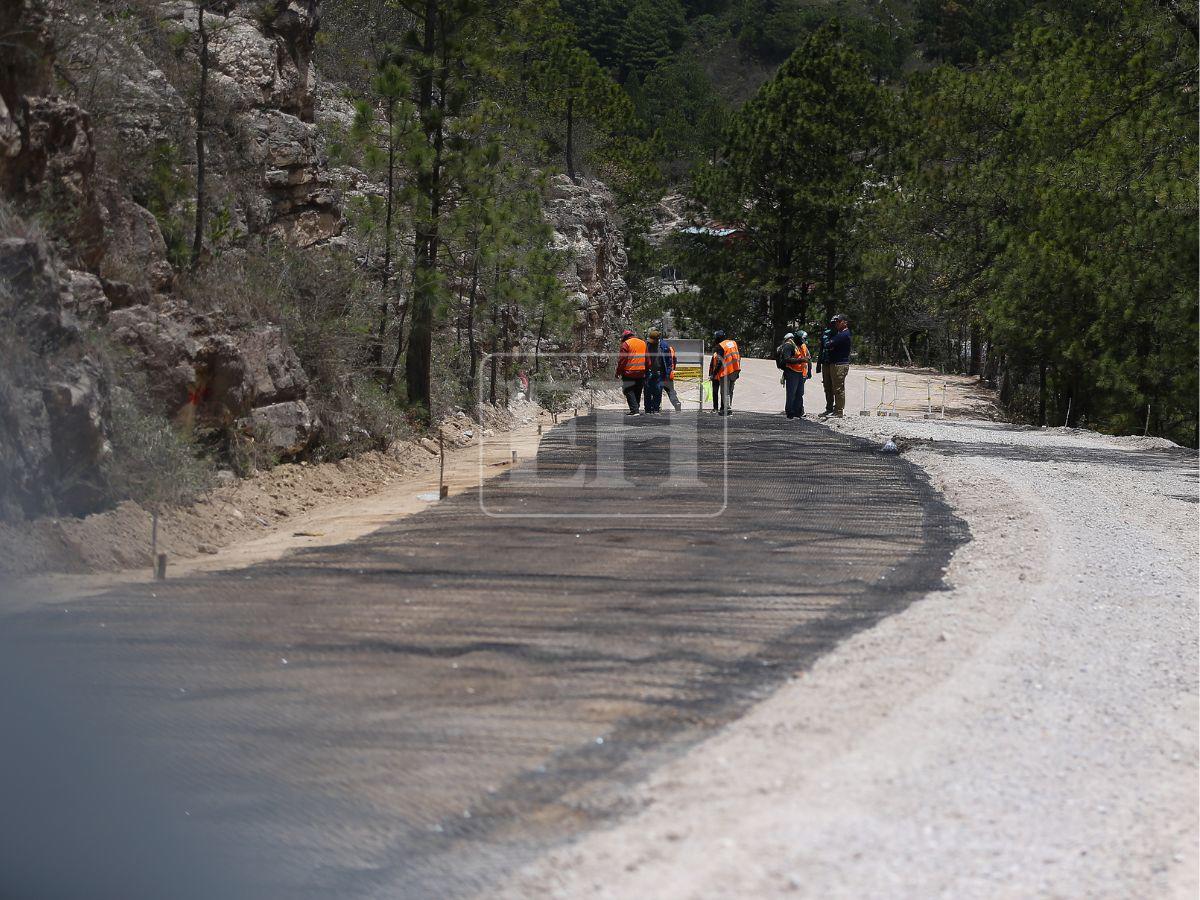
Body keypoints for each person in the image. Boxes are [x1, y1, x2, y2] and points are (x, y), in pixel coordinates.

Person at [819, 314, 851, 419]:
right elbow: (826, 347)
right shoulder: (837, 334)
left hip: (839, 364)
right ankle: (831, 408)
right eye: (835, 322)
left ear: (844, 322)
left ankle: (838, 411)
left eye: (838, 321)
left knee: (838, 388)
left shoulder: (843, 335)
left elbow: (828, 344)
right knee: (828, 387)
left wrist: (828, 343)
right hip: (832, 363)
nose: (836, 324)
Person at [616, 328, 648, 415]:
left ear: (625, 337)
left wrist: (618, 372)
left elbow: (622, 360)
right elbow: (648, 359)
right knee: (638, 390)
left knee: (629, 390)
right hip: (641, 372)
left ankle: (634, 410)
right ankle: (636, 408)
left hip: (629, 372)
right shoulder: (643, 343)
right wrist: (647, 370)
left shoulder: (626, 344)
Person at [779, 331, 811, 419]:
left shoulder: (801, 345)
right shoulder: (789, 345)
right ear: (798, 338)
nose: (803, 342)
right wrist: (801, 360)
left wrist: (809, 371)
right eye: (802, 340)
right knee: (791, 393)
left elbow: (807, 357)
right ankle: (790, 413)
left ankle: (798, 412)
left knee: (799, 393)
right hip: (791, 372)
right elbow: (786, 359)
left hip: (801, 372)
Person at [710, 329, 741, 416]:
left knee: (725, 392)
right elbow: (738, 356)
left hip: (726, 371)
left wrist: (714, 374)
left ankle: (726, 409)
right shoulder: (733, 343)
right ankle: (728, 407)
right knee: (730, 391)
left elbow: (719, 362)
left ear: (717, 338)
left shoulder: (721, 346)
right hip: (735, 370)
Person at [658, 330, 683, 412]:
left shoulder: (659, 347)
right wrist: (672, 370)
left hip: (662, 374)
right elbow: (674, 361)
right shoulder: (671, 349)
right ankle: (677, 403)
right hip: (669, 374)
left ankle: (657, 408)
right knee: (670, 391)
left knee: (658, 391)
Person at [816, 320, 837, 416]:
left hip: (835, 363)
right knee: (827, 386)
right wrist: (818, 364)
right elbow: (822, 349)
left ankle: (837, 408)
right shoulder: (826, 334)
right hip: (826, 362)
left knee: (836, 387)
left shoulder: (839, 334)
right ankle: (829, 407)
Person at [644, 328, 666, 413]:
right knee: (648, 391)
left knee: (658, 391)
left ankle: (656, 408)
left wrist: (666, 372)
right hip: (648, 372)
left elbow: (667, 360)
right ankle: (648, 409)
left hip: (658, 373)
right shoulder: (646, 345)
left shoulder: (663, 347)